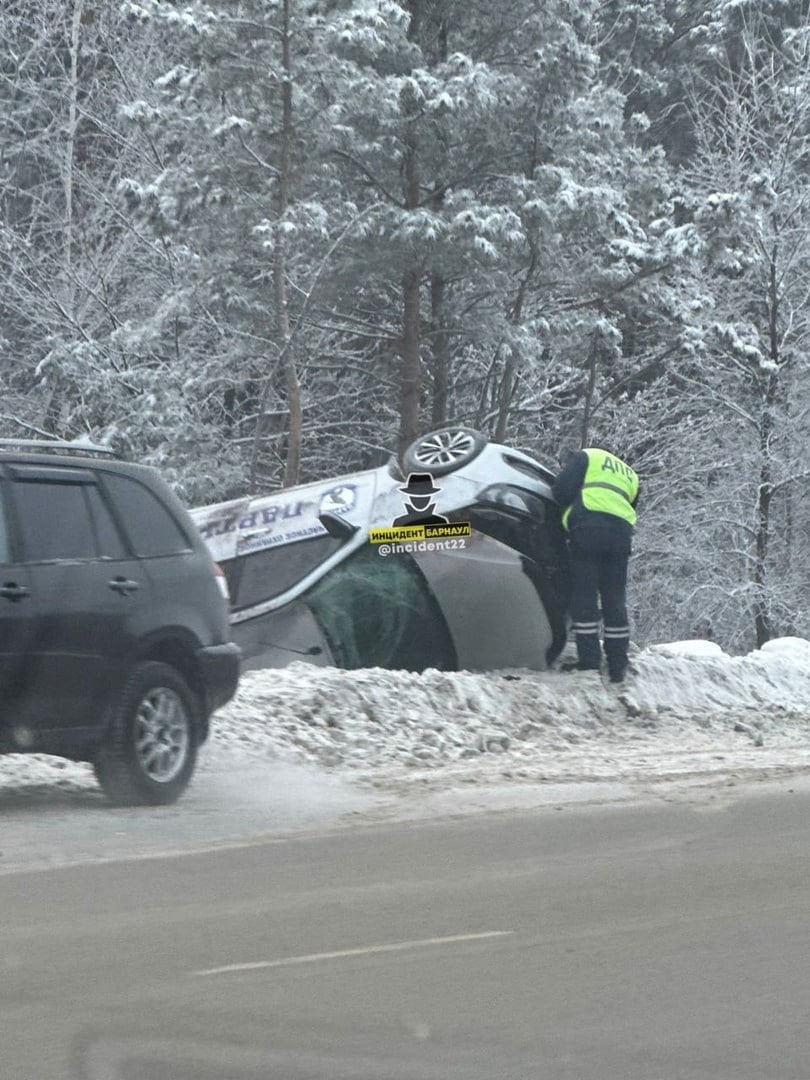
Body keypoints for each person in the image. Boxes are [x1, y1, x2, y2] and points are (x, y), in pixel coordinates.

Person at [552, 445, 640, 683]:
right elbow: (632, 504)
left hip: (588, 529)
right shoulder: (629, 473)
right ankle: (617, 664)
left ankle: (589, 661)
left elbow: (560, 492)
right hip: (621, 537)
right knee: (614, 599)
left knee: (585, 596)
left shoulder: (585, 457)